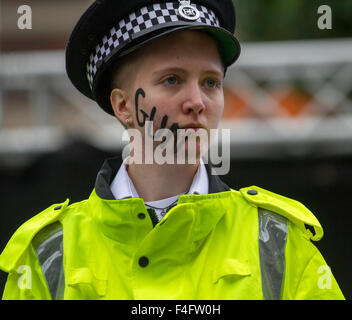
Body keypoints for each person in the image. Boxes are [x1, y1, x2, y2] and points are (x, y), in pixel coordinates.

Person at [0, 0, 344, 300]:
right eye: (172, 80)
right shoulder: (47, 254)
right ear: (122, 106)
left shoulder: (278, 241)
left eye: (210, 82)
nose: (197, 102)